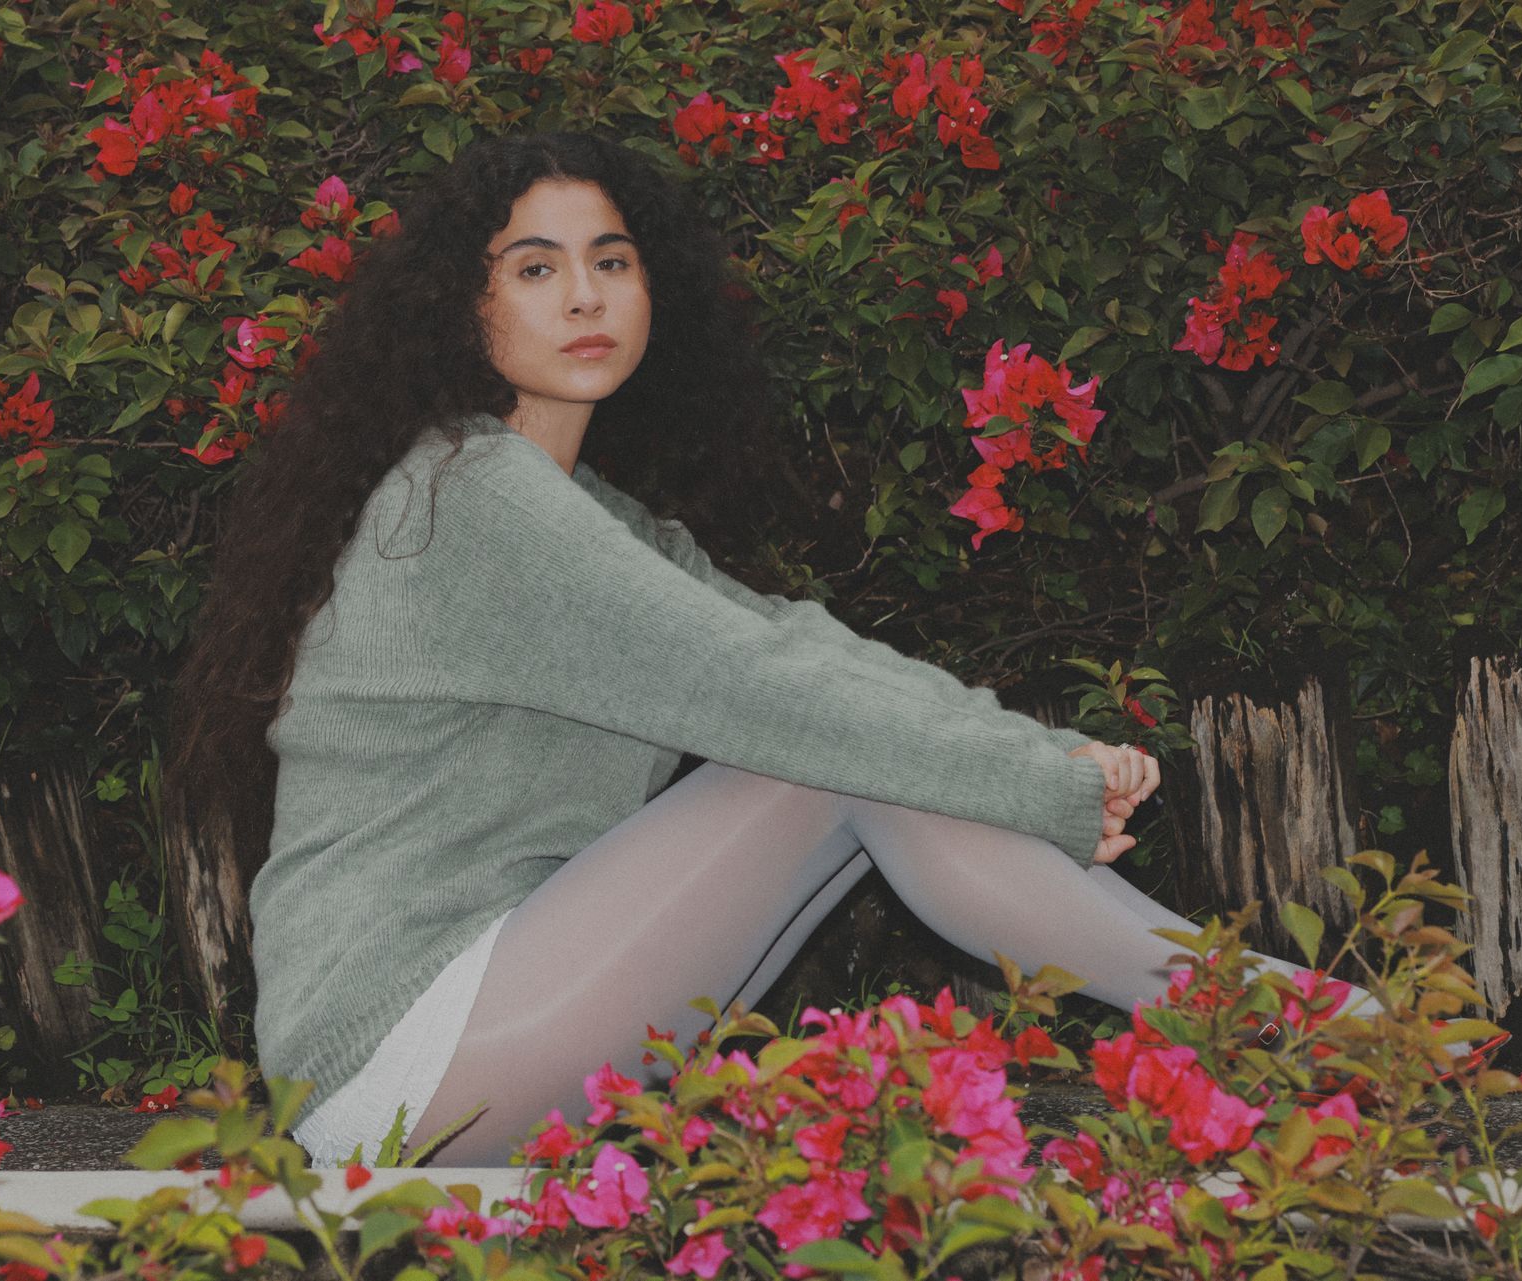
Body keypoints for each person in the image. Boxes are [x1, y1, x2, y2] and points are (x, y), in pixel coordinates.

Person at [168, 131, 1358, 1170]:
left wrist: (1038, 758)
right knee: (822, 763)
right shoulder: (475, 496)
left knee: (852, 754)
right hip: (399, 1063)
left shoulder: (587, 512)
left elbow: (798, 646)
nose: (584, 297)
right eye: (535, 269)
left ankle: (1287, 1019)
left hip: (504, 1014)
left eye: (612, 262)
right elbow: (758, 690)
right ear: (460, 308)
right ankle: (1305, 1024)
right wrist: (1032, 783)